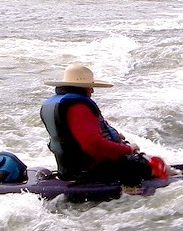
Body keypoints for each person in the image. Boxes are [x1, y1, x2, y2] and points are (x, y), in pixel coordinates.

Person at [40, 63, 172, 186]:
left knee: (150, 160)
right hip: (93, 170)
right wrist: (128, 149)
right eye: (89, 86)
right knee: (158, 165)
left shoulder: (61, 105)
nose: (92, 91)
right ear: (80, 87)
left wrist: (115, 136)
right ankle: (172, 177)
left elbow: (79, 134)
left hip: (70, 170)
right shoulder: (79, 107)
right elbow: (93, 145)